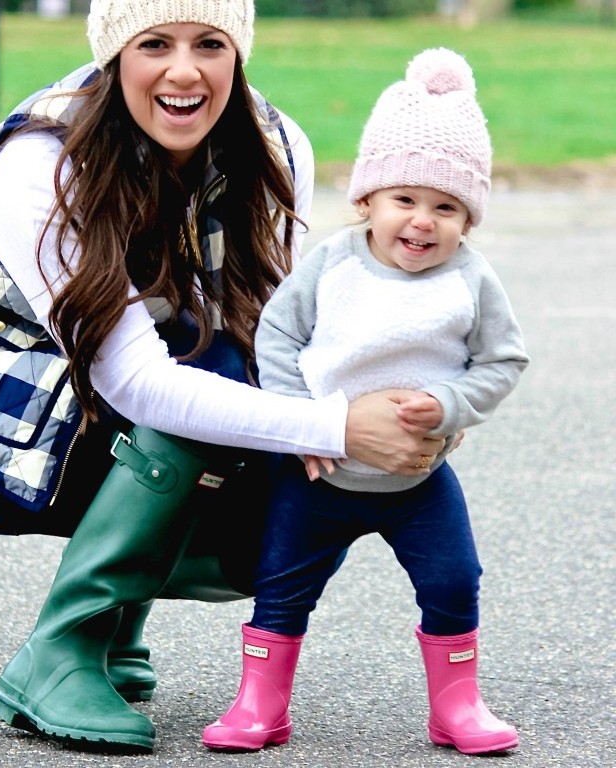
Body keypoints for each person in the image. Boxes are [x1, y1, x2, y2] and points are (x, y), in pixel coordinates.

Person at [0, 0, 447, 754]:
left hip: (111, 403)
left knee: (296, 496)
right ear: (116, 54)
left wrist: (405, 405)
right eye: (155, 44)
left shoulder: (277, 148)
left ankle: (117, 630)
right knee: (205, 388)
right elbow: (139, 384)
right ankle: (61, 652)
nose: (185, 71)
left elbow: (278, 335)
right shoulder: (43, 159)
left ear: (237, 53)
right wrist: (339, 425)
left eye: (210, 43)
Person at [202, 47, 529, 756]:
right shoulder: (332, 265)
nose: (422, 222)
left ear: (467, 220)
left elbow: (503, 360)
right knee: (282, 587)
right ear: (367, 200)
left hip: (416, 480)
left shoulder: (470, 281)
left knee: (454, 579)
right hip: (318, 473)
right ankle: (260, 704)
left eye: (446, 207)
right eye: (405, 200)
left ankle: (457, 706)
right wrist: (301, 426)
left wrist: (449, 402)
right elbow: (277, 338)